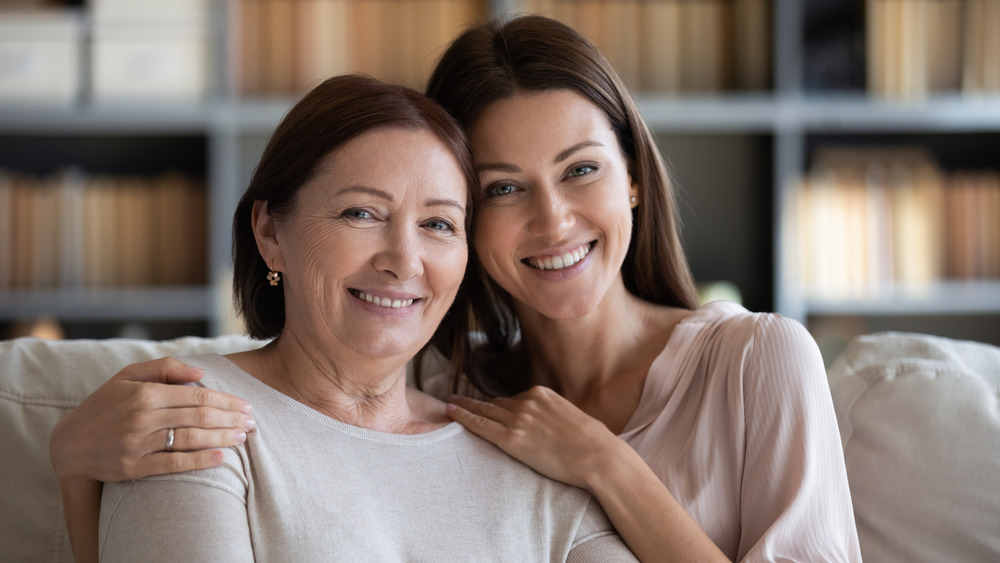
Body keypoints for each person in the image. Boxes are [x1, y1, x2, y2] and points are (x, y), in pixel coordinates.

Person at [52, 15, 861, 562]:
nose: (553, 220)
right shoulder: (456, 392)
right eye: (503, 189)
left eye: (581, 170)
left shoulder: (758, 358)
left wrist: (606, 464)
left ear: (635, 181)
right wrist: (72, 464)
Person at [53, 73, 638, 562]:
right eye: (361, 212)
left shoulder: (528, 450)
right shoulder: (192, 418)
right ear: (269, 232)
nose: (404, 261)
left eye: (438, 224)